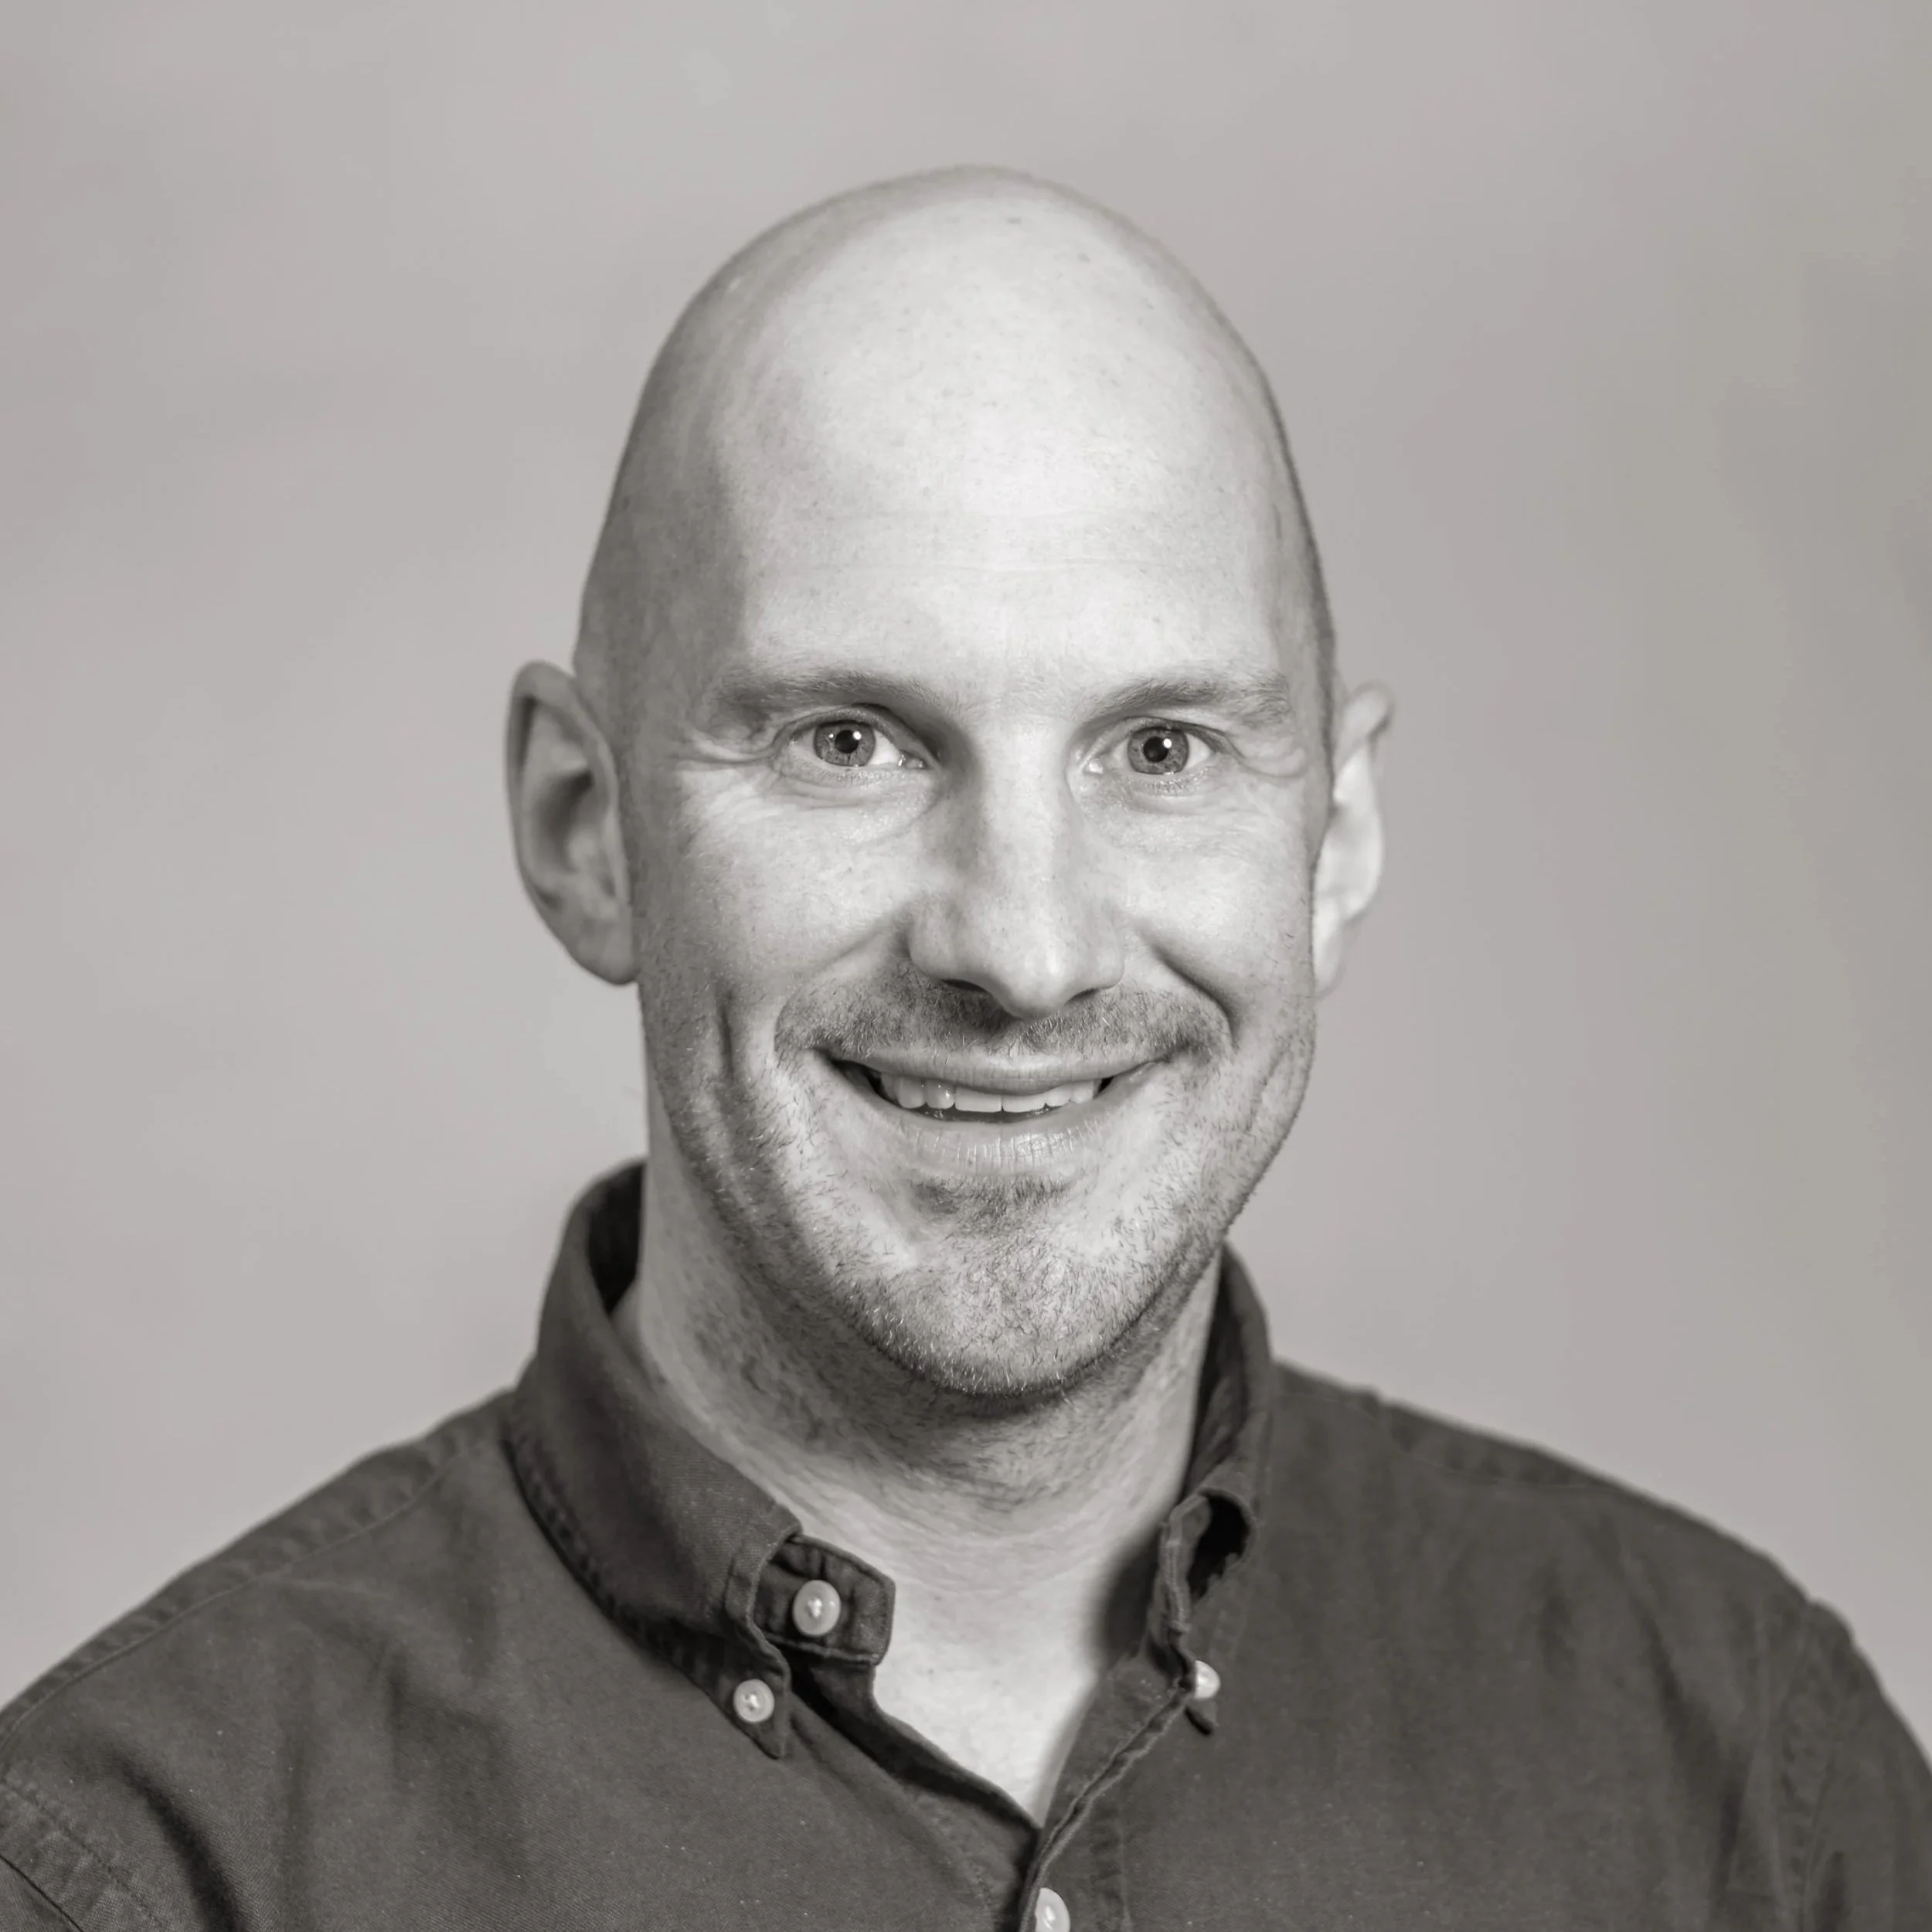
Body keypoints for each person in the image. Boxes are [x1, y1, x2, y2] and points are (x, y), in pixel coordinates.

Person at [2, 167, 1925, 1932]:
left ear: (1330, 839)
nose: (1019, 946)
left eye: (1158, 749)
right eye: (848, 740)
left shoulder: (1747, 1792)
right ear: (585, 830)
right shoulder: (142, 1870)